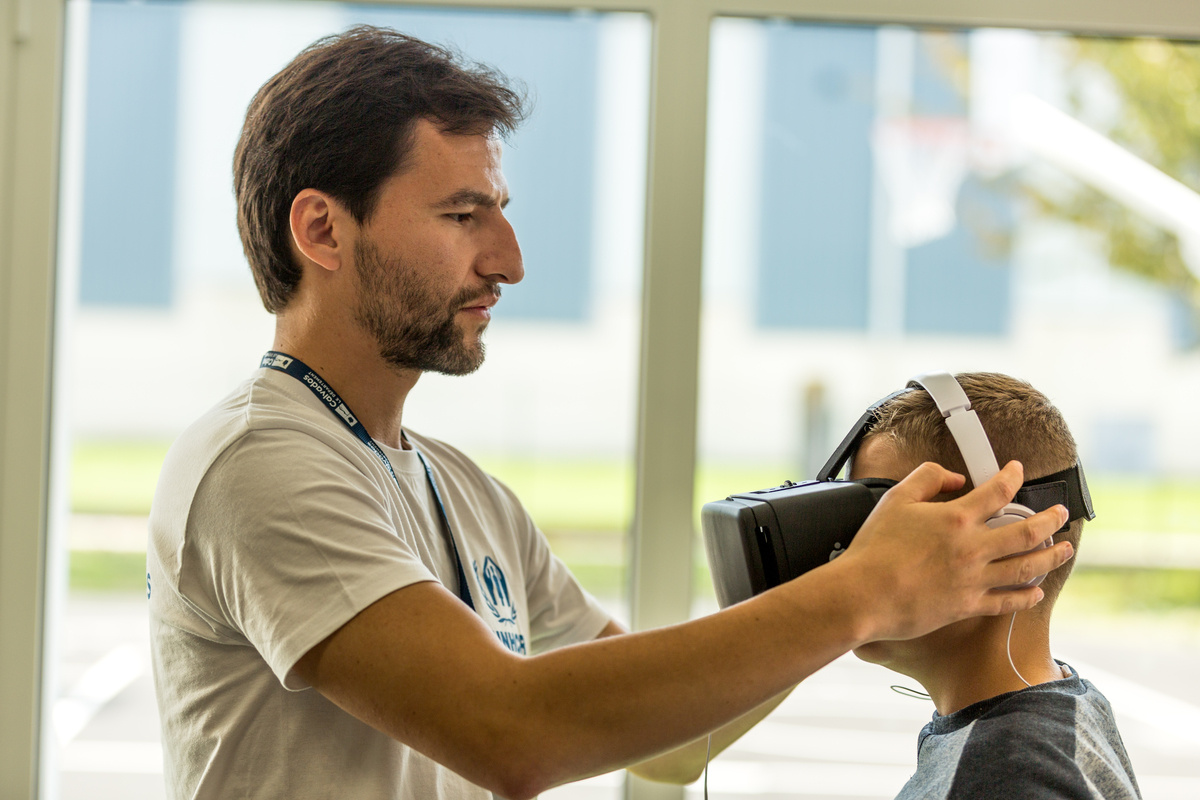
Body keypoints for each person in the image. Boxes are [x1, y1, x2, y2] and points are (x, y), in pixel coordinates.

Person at [146, 26, 1074, 800]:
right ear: (321, 231)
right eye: (463, 216)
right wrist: (861, 590)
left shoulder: (460, 489)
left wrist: (866, 583)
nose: (508, 261)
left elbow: (670, 745)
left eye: (499, 211)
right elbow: (512, 733)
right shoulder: (258, 461)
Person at [848, 372, 1141, 800]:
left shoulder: (1007, 774)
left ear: (1009, 546)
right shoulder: (1058, 708)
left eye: (890, 530)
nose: (852, 556)